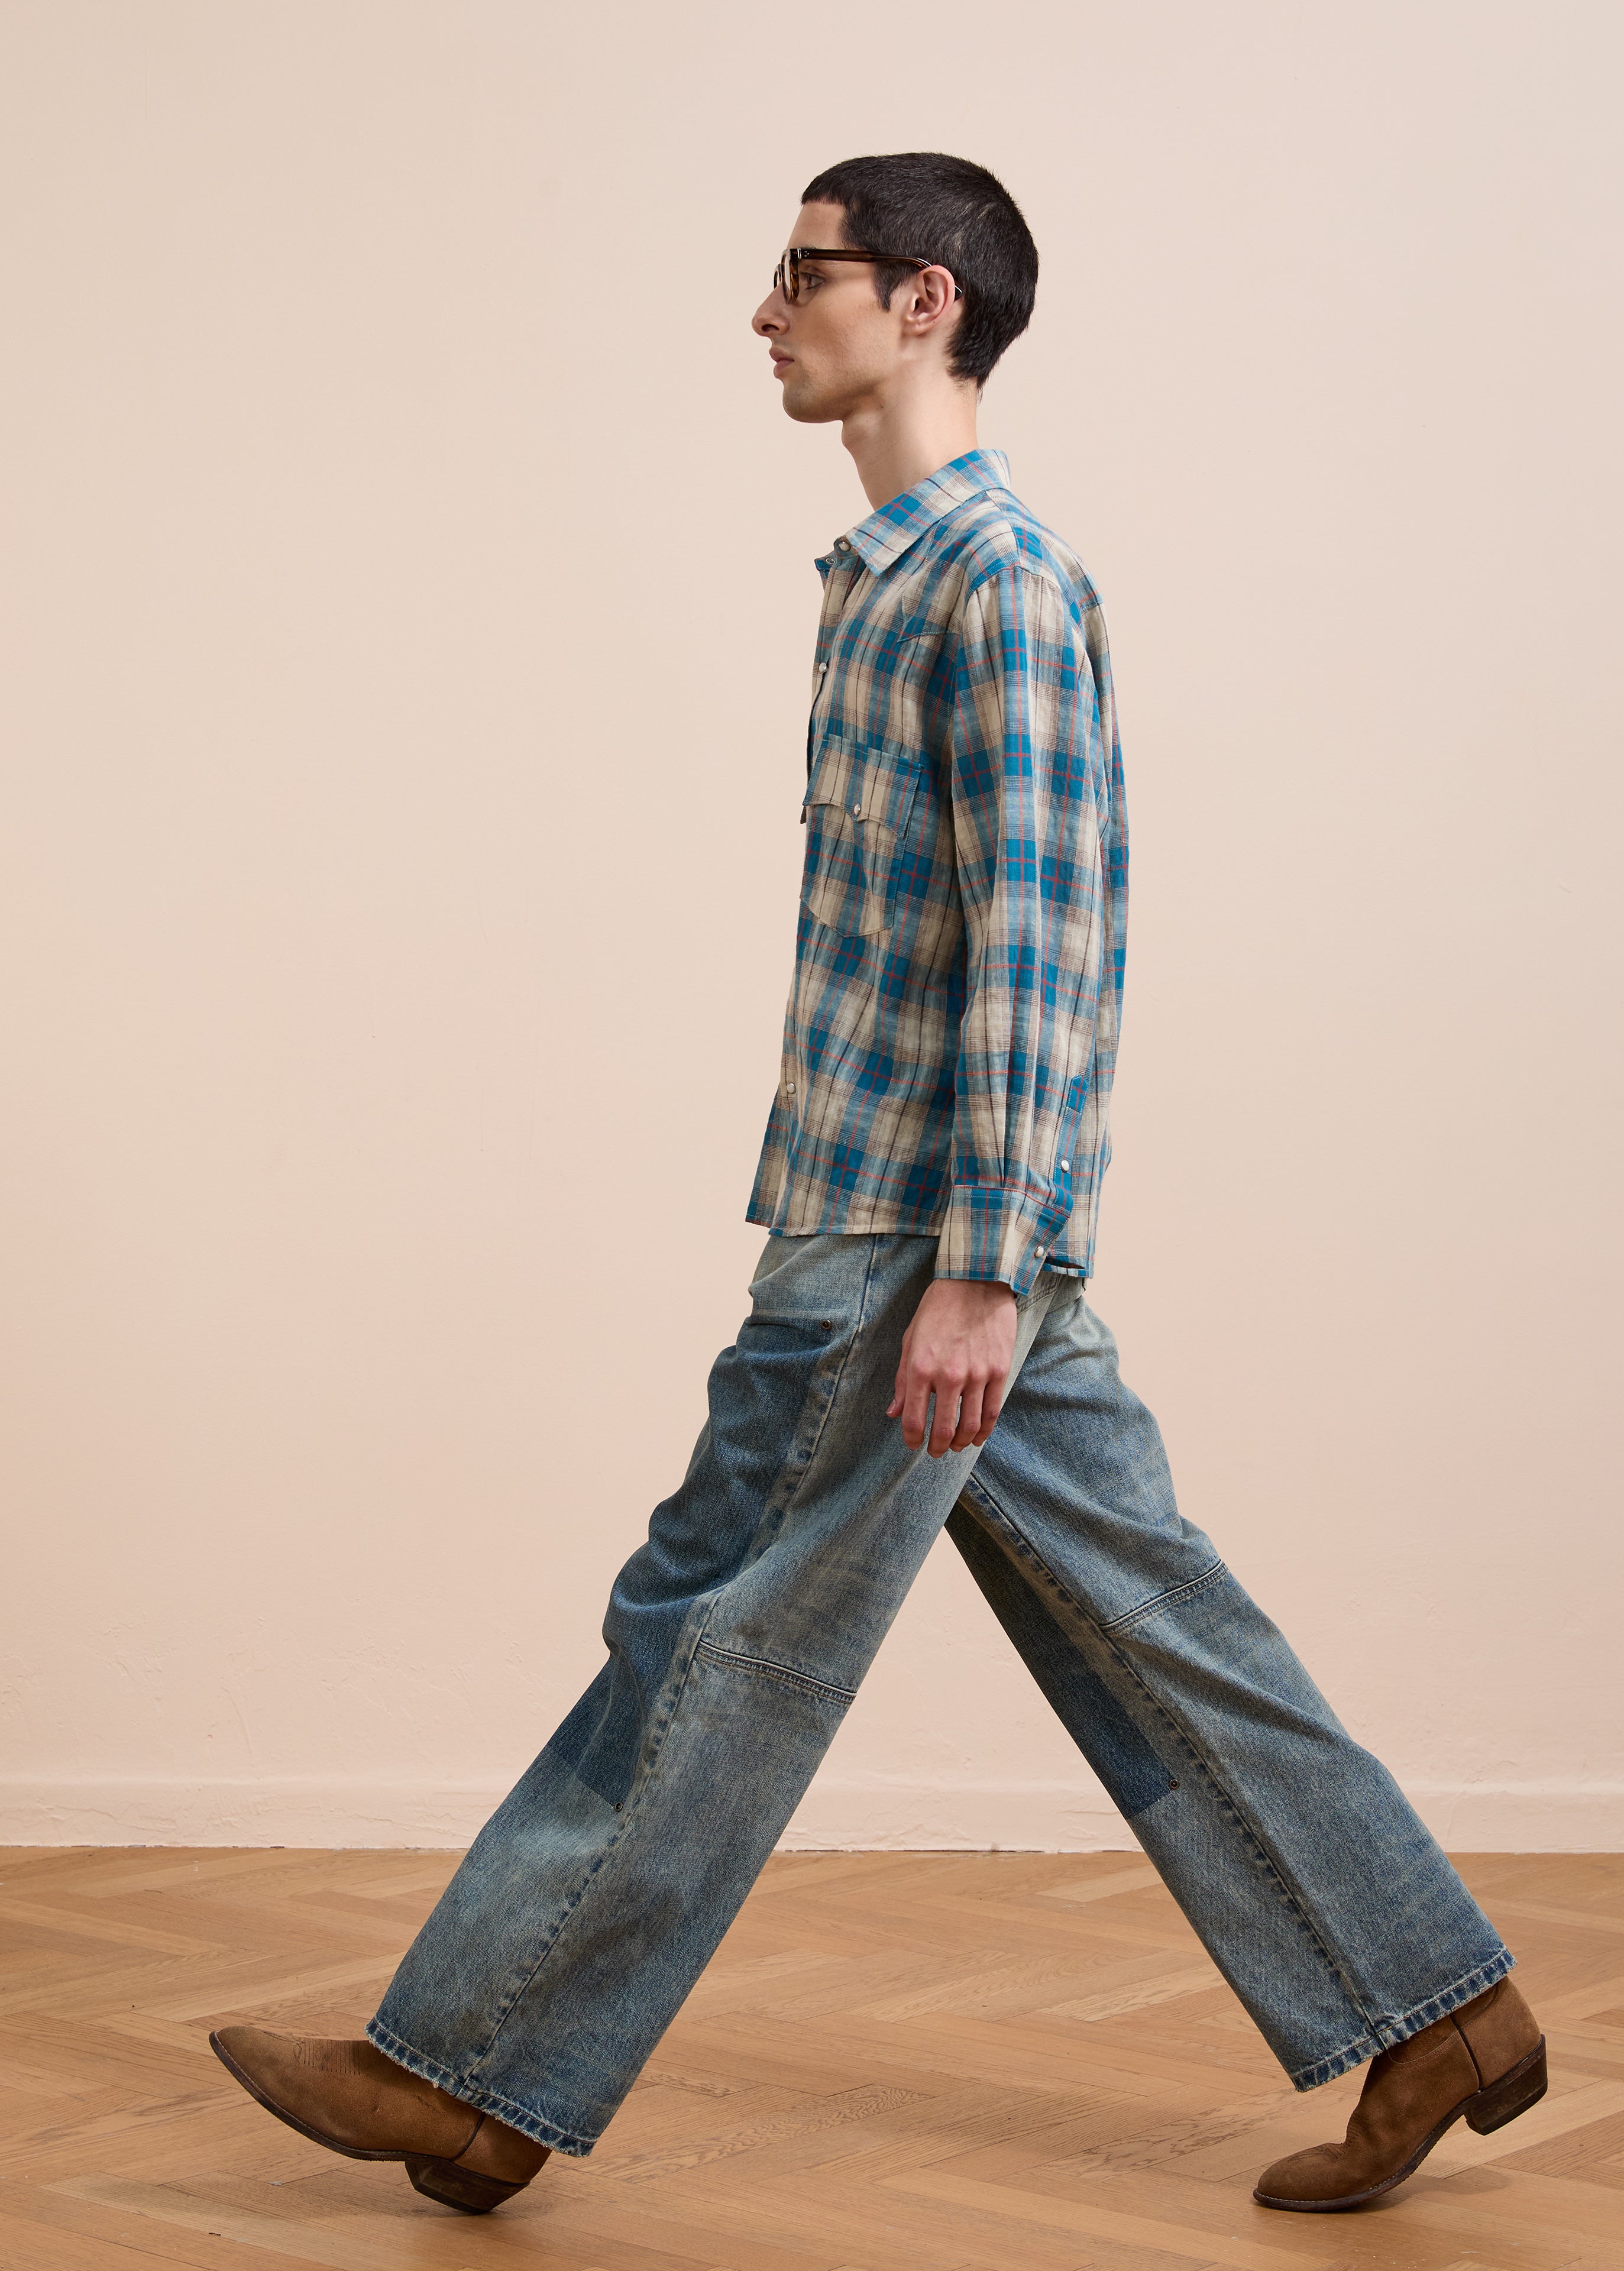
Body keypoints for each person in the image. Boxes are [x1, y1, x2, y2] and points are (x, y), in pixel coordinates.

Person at [210, 150, 1547, 2221]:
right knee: (1148, 1623)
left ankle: (473, 2074)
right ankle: (1436, 2005)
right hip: (920, 1226)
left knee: (707, 1634)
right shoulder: (900, 577)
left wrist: (985, 1270)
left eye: (802, 272)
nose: (766, 310)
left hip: (909, 1244)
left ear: (922, 301)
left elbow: (1045, 943)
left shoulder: (995, 584)